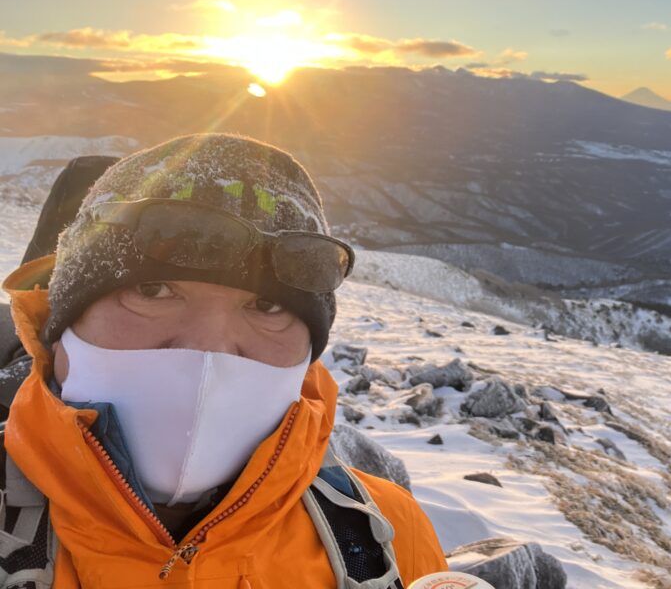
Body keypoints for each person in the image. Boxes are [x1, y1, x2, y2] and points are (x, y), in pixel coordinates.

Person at [0, 133, 448, 587]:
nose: (209, 346)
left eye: (267, 307)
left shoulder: (388, 535)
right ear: (61, 328)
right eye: (152, 291)